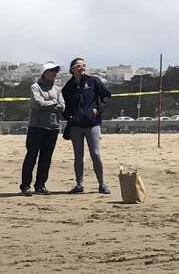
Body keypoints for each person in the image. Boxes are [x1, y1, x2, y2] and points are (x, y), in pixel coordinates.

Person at [60, 58, 112, 194]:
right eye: (78, 66)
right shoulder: (68, 87)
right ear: (72, 69)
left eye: (83, 65)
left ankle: (102, 184)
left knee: (95, 153)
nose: (82, 67)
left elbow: (107, 96)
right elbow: (63, 106)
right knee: (78, 156)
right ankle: (79, 184)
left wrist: (99, 109)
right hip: (76, 126)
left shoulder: (93, 81)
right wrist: (68, 116)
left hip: (92, 124)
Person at [21, 62, 64, 195]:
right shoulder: (35, 87)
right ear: (45, 73)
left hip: (53, 127)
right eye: (52, 71)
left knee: (46, 157)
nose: (55, 73)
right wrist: (54, 104)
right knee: (31, 156)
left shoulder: (57, 89)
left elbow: (62, 105)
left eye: (56, 71)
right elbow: (38, 103)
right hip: (36, 127)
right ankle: (25, 185)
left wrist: (51, 105)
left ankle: (40, 185)